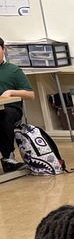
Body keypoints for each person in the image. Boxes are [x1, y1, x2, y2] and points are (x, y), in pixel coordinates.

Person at [0, 37, 35, 173]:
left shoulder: (13, 71)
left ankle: (8, 158)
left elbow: (30, 94)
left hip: (10, 110)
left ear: (4, 50)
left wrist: (11, 92)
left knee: (3, 116)